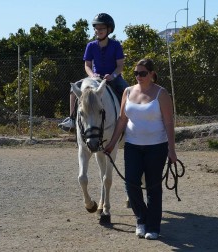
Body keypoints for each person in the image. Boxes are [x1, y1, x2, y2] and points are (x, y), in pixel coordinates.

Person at [104, 58, 177, 240]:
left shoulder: (161, 94)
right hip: (132, 147)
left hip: (156, 147)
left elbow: (169, 122)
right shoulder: (127, 92)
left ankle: (153, 227)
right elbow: (122, 120)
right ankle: (141, 219)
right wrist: (112, 143)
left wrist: (172, 149)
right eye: (136, 73)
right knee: (131, 185)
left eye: (143, 73)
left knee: (153, 187)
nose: (139, 77)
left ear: (152, 74)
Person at [58, 13, 129, 131]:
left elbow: (120, 66)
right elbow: (87, 65)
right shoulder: (90, 46)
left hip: (113, 78)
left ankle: (130, 121)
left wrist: (113, 75)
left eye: (102, 28)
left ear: (109, 29)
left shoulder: (116, 45)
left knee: (128, 92)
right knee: (73, 88)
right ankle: (71, 119)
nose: (99, 30)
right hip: (95, 77)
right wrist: (92, 75)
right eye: (97, 28)